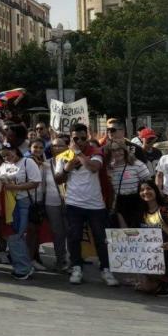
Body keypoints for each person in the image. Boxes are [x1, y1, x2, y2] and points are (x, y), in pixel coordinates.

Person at [55, 123, 119, 287]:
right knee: (74, 237)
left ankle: (105, 269)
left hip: (95, 205)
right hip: (73, 203)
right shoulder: (62, 157)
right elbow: (58, 180)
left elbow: (93, 168)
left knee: (100, 238)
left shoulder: (95, 152)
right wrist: (67, 168)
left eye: (83, 138)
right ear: (71, 137)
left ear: (88, 137)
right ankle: (77, 267)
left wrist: (78, 154)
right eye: (76, 138)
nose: (80, 141)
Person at [136, 182, 168, 297]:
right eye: (142, 190)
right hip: (149, 255)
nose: (145, 192)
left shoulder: (167, 211)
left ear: (156, 191)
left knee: (148, 287)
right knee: (146, 287)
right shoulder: (140, 213)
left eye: (149, 188)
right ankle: (160, 281)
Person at [0, 143, 41, 280]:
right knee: (12, 235)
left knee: (16, 235)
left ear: (15, 150)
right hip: (8, 204)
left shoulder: (28, 162)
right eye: (3, 156)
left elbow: (35, 182)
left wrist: (15, 187)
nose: (6, 158)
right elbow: (0, 184)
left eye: (8, 154)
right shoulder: (3, 166)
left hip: (23, 203)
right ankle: (23, 266)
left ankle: (23, 268)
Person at [32, 138, 68, 272]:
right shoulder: (45, 165)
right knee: (58, 233)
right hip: (51, 203)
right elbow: (41, 185)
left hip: (71, 202)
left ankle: (75, 261)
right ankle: (61, 260)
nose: (57, 148)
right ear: (50, 148)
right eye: (54, 146)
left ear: (67, 146)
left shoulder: (73, 161)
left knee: (71, 232)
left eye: (61, 145)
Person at [105, 139, 151, 229]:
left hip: (136, 201)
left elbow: (148, 183)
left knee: (136, 232)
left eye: (119, 149)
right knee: (123, 234)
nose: (117, 153)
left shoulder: (137, 164)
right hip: (119, 203)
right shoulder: (110, 167)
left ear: (124, 150)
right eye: (113, 151)